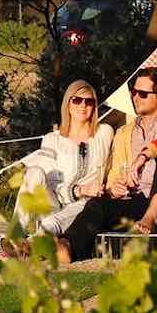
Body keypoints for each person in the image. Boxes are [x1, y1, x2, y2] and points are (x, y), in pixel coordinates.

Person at [59, 67, 157, 263]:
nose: (135, 97)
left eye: (143, 94)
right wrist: (114, 189)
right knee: (97, 205)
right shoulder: (124, 133)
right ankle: (67, 247)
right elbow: (113, 176)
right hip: (138, 202)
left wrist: (144, 156)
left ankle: (151, 217)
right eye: (133, 92)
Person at [15, 79, 113, 236]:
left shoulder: (105, 133)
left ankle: (30, 245)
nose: (83, 105)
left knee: (52, 224)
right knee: (33, 172)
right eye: (77, 100)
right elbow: (51, 184)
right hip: (54, 204)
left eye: (89, 101)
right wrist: (78, 190)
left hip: (86, 206)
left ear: (94, 106)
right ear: (68, 104)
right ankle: (15, 234)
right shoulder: (52, 139)